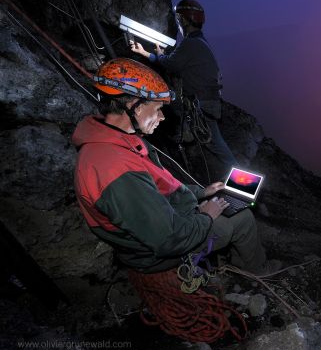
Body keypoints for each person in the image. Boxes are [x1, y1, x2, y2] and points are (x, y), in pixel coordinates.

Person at [72, 58, 274, 274]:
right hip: (152, 254)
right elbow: (168, 240)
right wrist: (206, 216)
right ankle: (257, 272)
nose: (162, 116)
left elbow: (159, 188)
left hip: (166, 222)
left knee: (223, 203)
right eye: (158, 108)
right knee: (241, 219)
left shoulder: (118, 140)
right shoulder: (115, 168)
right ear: (135, 106)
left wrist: (201, 192)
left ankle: (234, 261)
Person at [130, 0, 237, 176]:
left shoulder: (191, 44)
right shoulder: (199, 43)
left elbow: (172, 64)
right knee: (215, 144)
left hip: (201, 104)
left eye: (179, 19)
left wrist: (156, 54)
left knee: (217, 146)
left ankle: (242, 183)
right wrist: (151, 54)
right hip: (206, 102)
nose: (178, 23)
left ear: (184, 20)